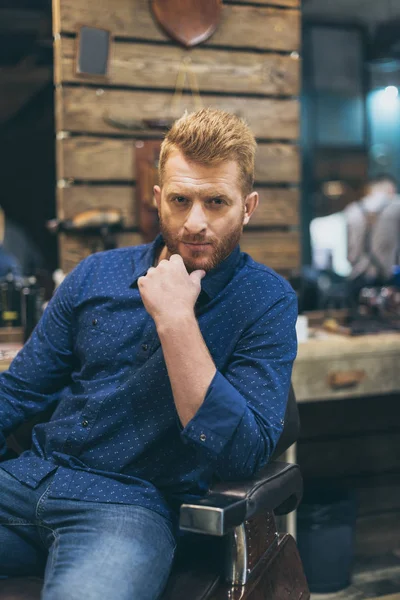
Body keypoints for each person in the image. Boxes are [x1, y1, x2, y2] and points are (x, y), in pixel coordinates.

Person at [0, 109, 297, 600]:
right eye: (181, 200)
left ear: (247, 207)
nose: (195, 222)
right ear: (158, 199)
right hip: (26, 481)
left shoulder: (266, 301)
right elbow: (19, 390)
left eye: (216, 202)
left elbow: (241, 453)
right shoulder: (96, 275)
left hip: (126, 509)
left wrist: (177, 320)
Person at [344, 173, 400, 292]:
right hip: (387, 282)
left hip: (357, 280)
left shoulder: (352, 210)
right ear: (390, 188)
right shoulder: (396, 206)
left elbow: (349, 251)